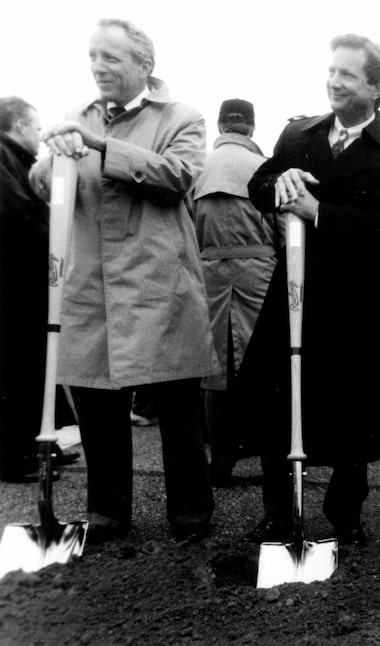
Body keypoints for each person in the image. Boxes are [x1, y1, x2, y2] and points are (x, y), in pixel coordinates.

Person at [30, 19, 217, 544]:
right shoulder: (75, 116)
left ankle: (190, 511)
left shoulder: (182, 117)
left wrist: (100, 147)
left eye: (110, 58)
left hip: (158, 282)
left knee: (177, 405)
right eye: (93, 56)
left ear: (143, 65)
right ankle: (107, 512)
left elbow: (179, 175)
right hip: (92, 284)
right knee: (97, 404)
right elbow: (45, 182)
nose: (98, 67)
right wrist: (52, 165)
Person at [241, 33, 380, 545]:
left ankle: (345, 514)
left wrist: (317, 212)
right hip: (295, 293)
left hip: (356, 301)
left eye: (346, 74)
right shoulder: (299, 135)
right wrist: (277, 186)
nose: (333, 81)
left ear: (377, 86)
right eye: (331, 71)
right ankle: (279, 512)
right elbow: (260, 183)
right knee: (280, 403)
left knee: (354, 412)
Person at [192, 98, 274, 487]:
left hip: (209, 274)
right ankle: (271, 460)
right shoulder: (265, 167)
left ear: (220, 125)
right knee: (266, 370)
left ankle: (220, 462)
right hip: (260, 273)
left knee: (214, 375)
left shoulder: (197, 168)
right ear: (251, 128)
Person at [0, 97, 80, 484]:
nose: (38, 135)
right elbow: (14, 214)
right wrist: (58, 239)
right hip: (15, 285)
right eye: (35, 127)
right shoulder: (3, 156)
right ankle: (17, 457)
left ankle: (38, 445)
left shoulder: (14, 160)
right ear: (18, 125)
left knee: (34, 367)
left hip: (25, 282)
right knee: (20, 370)